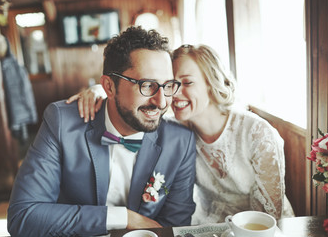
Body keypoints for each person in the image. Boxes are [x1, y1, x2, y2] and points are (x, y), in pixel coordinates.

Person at [67, 44, 295, 225]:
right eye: (169, 85)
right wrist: (98, 90)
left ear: (211, 83)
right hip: (206, 225)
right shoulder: (178, 128)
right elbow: (130, 101)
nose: (172, 95)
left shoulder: (257, 134)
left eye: (186, 82)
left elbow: (269, 217)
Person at [7, 26, 196, 237]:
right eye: (147, 85)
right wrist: (124, 218)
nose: (161, 102)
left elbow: (174, 228)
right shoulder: (62, 123)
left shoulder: (180, 142)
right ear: (109, 86)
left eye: (168, 85)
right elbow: (23, 217)